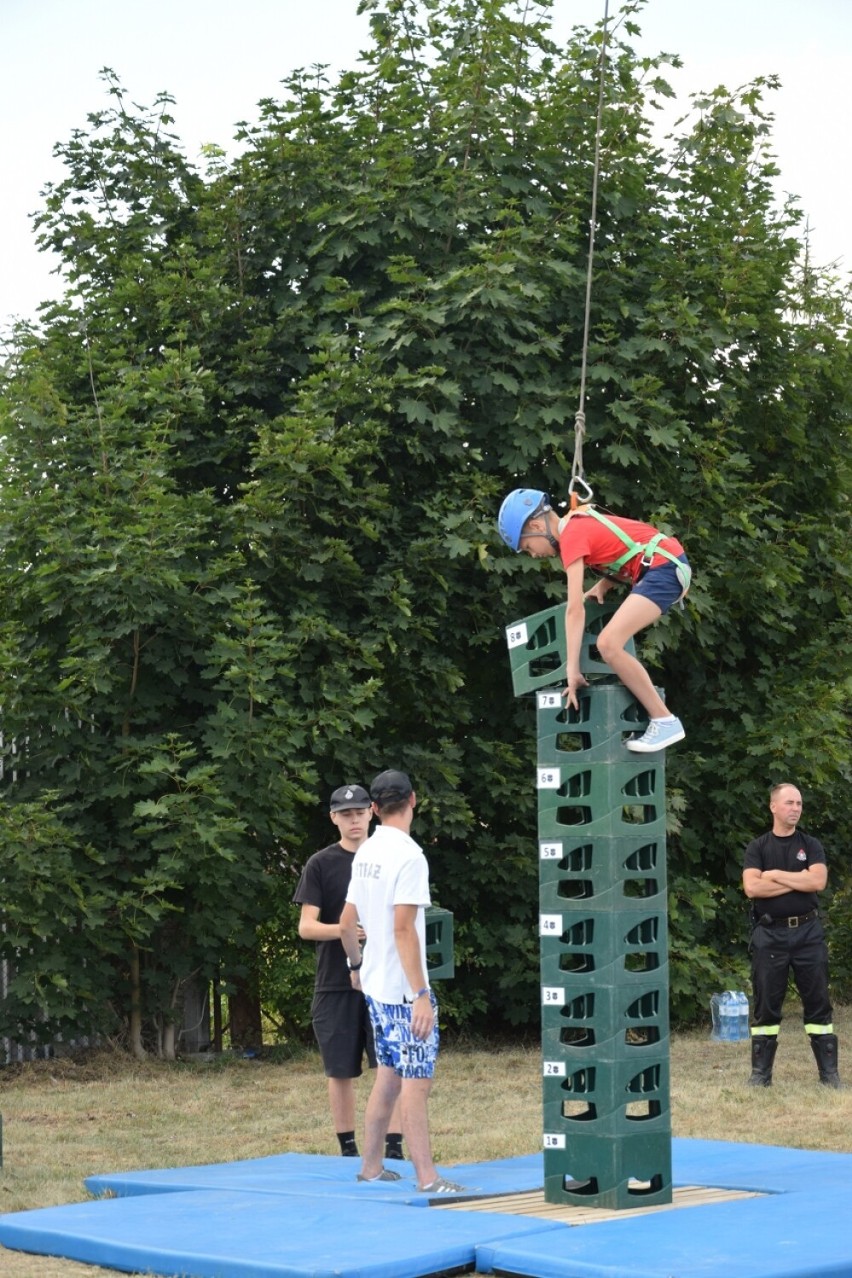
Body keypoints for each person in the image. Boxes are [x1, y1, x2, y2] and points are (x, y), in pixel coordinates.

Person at [339, 769, 466, 1194]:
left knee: (389, 1076)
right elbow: (403, 930)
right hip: (402, 991)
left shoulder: (366, 851)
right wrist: (421, 995)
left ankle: (371, 1167)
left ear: (373, 809)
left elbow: (346, 921)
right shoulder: (410, 856)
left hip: (375, 985)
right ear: (414, 799)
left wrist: (356, 968)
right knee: (416, 1083)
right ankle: (427, 1178)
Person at [497, 489, 691, 752]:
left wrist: (572, 670)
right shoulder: (579, 526)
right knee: (610, 643)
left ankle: (664, 720)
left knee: (609, 644)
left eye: (528, 546)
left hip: (664, 569)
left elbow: (574, 610)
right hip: (662, 566)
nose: (532, 554)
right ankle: (663, 719)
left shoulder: (572, 536)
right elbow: (627, 549)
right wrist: (604, 585)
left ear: (535, 525)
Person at [293, 784, 405, 1159]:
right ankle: (348, 1150)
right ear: (333, 818)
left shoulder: (391, 857)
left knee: (389, 1065)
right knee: (340, 1069)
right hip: (335, 982)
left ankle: (393, 1149)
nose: (354, 820)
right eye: (345, 814)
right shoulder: (320, 864)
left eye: (359, 812)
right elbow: (306, 927)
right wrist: (345, 931)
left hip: (386, 980)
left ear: (372, 812)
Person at [743, 782, 842, 1088]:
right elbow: (752, 888)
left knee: (818, 1003)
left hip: (808, 934)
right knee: (765, 1006)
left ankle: (829, 1076)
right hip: (769, 935)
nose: (795, 808)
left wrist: (773, 875)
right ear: (773, 806)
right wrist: (799, 879)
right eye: (789, 803)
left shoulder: (810, 844)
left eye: (799, 803)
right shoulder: (757, 847)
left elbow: (819, 882)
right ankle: (761, 1076)